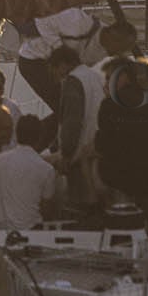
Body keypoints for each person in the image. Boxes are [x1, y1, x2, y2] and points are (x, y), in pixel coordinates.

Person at [94, 59, 148, 230]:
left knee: (90, 162)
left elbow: (102, 144)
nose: (106, 84)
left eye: (109, 78)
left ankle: (105, 218)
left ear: (124, 77)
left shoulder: (109, 105)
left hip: (120, 173)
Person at [51, 45, 105, 213]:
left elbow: (72, 120)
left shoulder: (73, 81)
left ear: (63, 64)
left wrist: (66, 154)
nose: (55, 74)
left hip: (79, 155)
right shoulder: (94, 76)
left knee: (80, 206)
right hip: (97, 149)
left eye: (54, 69)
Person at [0, 115, 59, 230]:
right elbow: (46, 209)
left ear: (16, 133)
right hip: (29, 230)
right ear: (40, 137)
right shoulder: (46, 169)